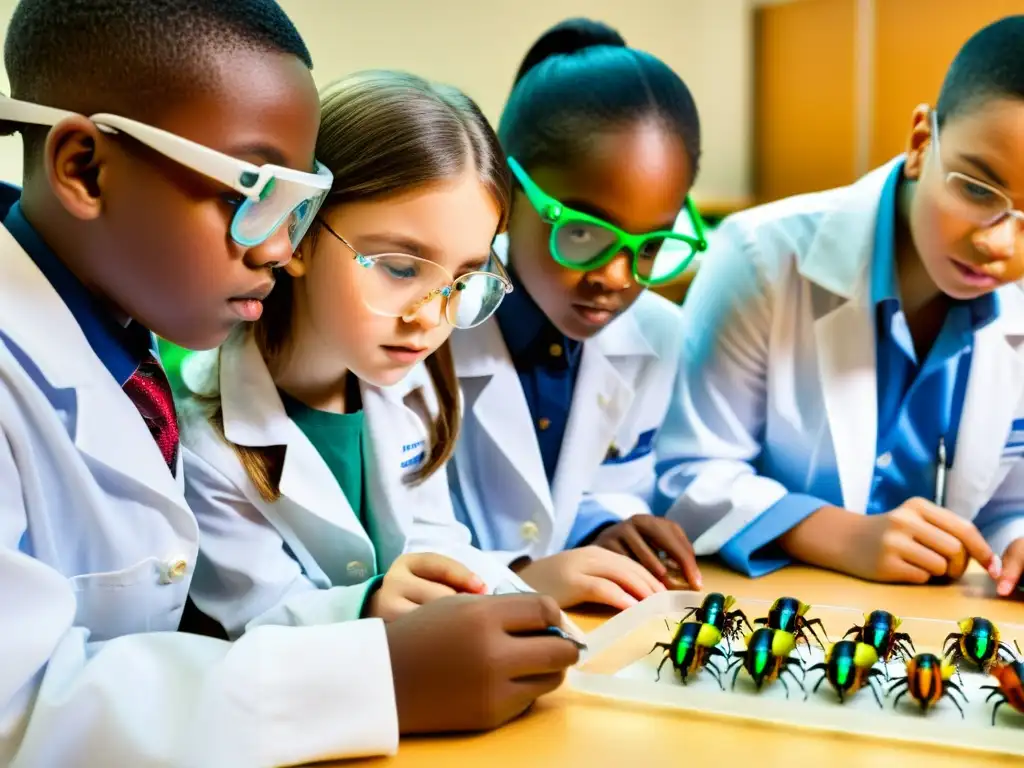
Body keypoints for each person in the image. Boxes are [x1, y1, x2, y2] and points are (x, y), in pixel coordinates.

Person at [0, 2, 576, 765]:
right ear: (84, 167)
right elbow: (19, 711)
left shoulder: (119, 343)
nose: (282, 245)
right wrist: (383, 673)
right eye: (255, 195)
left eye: (300, 204)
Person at [656, 15, 1024, 597]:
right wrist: (842, 535)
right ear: (921, 142)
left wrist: (1017, 537)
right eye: (977, 189)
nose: (998, 243)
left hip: (941, 627)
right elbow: (688, 474)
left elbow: (1006, 502)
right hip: (778, 618)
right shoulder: (759, 257)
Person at [178, 70, 535, 636]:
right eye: (398, 267)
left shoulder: (421, 383)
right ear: (296, 233)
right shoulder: (203, 434)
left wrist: (511, 589)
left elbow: (434, 542)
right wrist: (369, 608)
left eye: (463, 280)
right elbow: (258, 622)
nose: (429, 317)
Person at [449, 18, 706, 610]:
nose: (617, 278)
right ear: (505, 190)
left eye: (649, 246)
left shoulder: (656, 334)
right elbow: (404, 533)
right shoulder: (427, 331)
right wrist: (521, 577)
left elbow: (614, 478)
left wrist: (603, 524)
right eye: (585, 232)